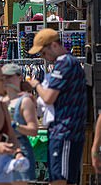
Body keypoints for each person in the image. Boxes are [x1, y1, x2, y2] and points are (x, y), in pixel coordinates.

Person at [28, 28, 86, 185]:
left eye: (43, 53)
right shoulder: (69, 63)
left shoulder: (65, 63)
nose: (42, 57)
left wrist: (36, 85)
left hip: (64, 131)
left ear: (54, 45)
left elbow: (48, 97)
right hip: (64, 131)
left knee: (60, 179)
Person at [2, 63, 38, 184]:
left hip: (21, 148)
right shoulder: (0, 101)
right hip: (2, 148)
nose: (6, 80)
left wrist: (14, 125)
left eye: (10, 76)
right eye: (4, 77)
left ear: (19, 77)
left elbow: (33, 130)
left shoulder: (25, 101)